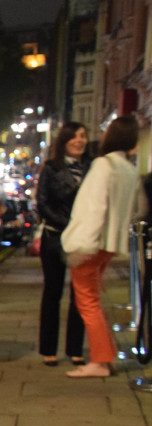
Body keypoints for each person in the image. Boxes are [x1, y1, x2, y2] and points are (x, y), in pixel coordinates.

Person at [61, 114, 145, 378]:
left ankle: (99, 361)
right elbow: (136, 209)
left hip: (91, 242)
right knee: (93, 299)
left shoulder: (103, 165)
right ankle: (104, 357)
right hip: (109, 243)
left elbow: (93, 207)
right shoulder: (129, 169)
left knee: (87, 301)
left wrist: (81, 242)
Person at [33, 121, 91, 367]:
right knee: (53, 291)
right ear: (64, 141)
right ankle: (48, 349)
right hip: (56, 236)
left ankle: (75, 349)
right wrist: (67, 224)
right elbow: (42, 203)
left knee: (80, 294)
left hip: (83, 238)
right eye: (74, 137)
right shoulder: (51, 168)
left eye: (83, 136)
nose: (80, 141)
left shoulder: (91, 168)